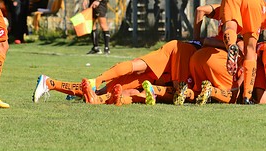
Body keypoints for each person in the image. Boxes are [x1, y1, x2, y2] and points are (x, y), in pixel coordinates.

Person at [32, 40, 199, 105]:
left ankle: (50, 83)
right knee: (137, 67)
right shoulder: (192, 50)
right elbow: (202, 10)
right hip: (178, 52)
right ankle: (97, 82)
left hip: (162, 78)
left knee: (119, 91)